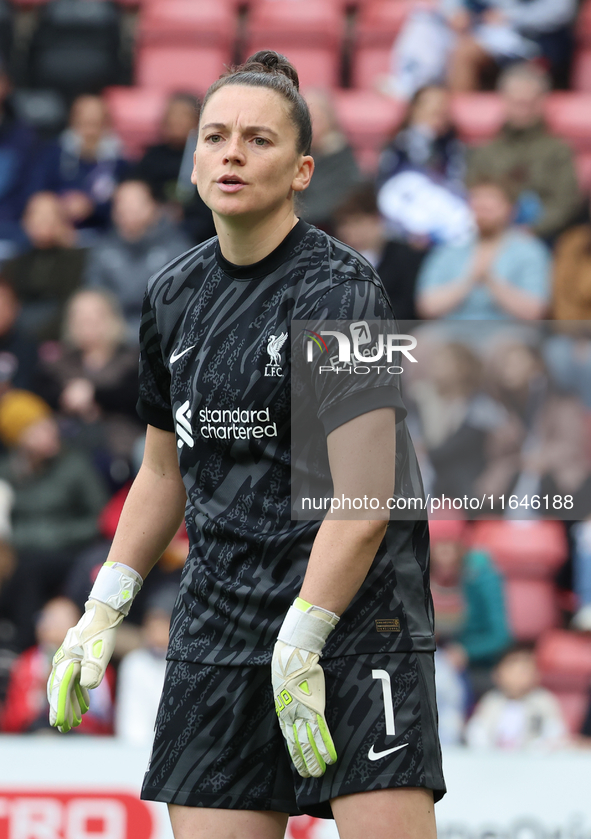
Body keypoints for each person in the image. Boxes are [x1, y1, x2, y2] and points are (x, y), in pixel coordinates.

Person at [47, 51, 445, 839]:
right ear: (192, 159)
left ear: (302, 170)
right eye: (215, 136)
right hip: (218, 627)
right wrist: (101, 608)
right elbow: (164, 471)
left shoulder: (345, 291)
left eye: (257, 140)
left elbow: (364, 502)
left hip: (355, 624)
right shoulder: (170, 295)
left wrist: (303, 637)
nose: (231, 152)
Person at [0, 389, 107, 650]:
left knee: (30, 567)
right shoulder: (11, 472)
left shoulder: (74, 464)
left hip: (72, 550)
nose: (49, 433)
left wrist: (56, 534)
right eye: (36, 430)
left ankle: (23, 645)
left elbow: (100, 518)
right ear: (19, 439)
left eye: (48, 424)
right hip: (24, 551)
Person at [467, 63, 580, 243]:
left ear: (541, 102)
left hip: (543, 238)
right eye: (517, 102)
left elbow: (565, 202)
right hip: (489, 236)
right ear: (504, 101)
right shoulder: (485, 152)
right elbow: (473, 197)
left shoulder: (558, 151)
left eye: (529, 102)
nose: (523, 109)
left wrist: (532, 230)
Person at [416, 176, 551, 320]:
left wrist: (490, 280)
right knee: (413, 342)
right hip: (451, 330)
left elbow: (534, 312)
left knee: (510, 343)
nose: (483, 213)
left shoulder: (530, 251)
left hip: (510, 331)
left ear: (511, 209)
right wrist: (470, 279)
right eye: (478, 205)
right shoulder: (449, 250)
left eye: (490, 206)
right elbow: (427, 307)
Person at [38, 288, 143, 471]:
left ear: (111, 318)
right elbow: (42, 394)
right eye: (79, 317)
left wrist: (93, 395)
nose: (86, 323)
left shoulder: (132, 358)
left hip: (121, 443)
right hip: (67, 443)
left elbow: (135, 396)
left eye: (94, 316)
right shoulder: (59, 360)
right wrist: (68, 397)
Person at [84, 179, 192, 335]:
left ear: (155, 206)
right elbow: (94, 293)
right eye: (121, 202)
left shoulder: (179, 250)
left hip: (160, 337)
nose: (127, 208)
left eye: (136, 202)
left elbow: (179, 306)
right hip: (110, 337)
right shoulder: (103, 248)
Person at [1, 597, 114, 734]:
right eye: (48, 620)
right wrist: (41, 692)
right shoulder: (27, 663)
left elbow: (105, 723)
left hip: (83, 742)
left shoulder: (95, 663)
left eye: (60, 623)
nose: (51, 628)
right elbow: (12, 722)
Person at [31, 94, 128, 241]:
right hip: (56, 233)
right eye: (84, 123)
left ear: (107, 125)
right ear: (72, 122)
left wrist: (92, 207)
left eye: (96, 124)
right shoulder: (52, 154)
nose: (89, 132)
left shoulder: (120, 162)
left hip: (106, 235)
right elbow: (37, 193)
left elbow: (125, 205)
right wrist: (60, 207)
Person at [332, 183, 427, 320]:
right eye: (343, 224)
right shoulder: (335, 264)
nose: (349, 231)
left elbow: (408, 307)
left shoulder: (406, 257)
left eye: (357, 222)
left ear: (376, 219)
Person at [132, 92, 215, 246]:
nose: (175, 120)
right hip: (151, 229)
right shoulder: (152, 156)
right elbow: (137, 190)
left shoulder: (209, 157)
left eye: (183, 115)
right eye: (171, 114)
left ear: (198, 121)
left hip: (196, 234)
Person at [1, 191, 85, 341]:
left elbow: (70, 304)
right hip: (18, 339)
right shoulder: (14, 264)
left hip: (58, 336)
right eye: (36, 214)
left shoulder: (76, 259)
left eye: (50, 214)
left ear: (62, 220)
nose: (43, 220)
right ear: (25, 221)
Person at [465, 645, 568, 750]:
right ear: (497, 674)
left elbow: (555, 733)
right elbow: (477, 732)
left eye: (523, 671)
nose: (517, 676)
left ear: (536, 675)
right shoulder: (492, 701)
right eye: (511, 670)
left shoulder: (543, 702)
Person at [297, 88, 361, 231]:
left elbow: (332, 204)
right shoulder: (297, 156)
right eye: (303, 120)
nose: (307, 127)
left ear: (330, 121)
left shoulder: (341, 160)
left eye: (314, 120)